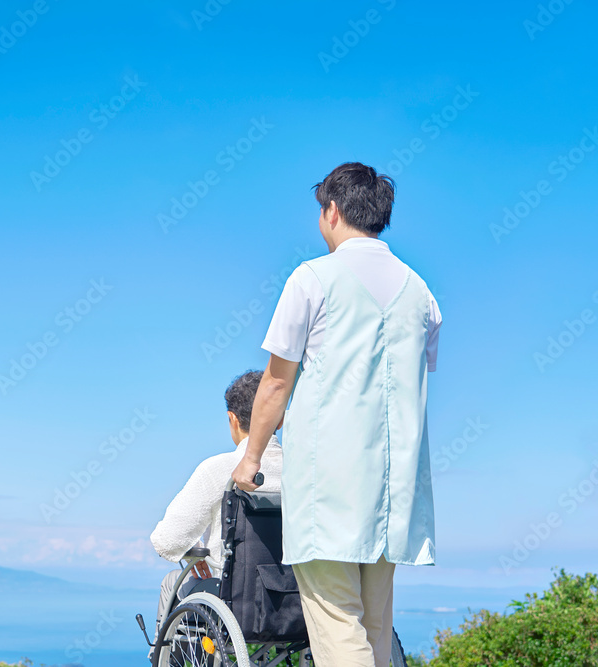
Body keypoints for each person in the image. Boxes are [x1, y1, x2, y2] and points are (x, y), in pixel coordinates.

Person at [232, 162, 442, 667]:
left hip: (330, 484)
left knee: (337, 628)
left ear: (331, 210)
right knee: (374, 629)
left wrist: (250, 457)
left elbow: (276, 382)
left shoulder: (312, 279)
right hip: (396, 492)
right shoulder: (423, 295)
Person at [149, 370, 284, 645]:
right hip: (297, 596)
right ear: (279, 418)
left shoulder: (220, 469)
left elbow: (166, 541)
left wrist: (192, 553)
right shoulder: (308, 471)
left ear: (232, 419)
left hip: (236, 603)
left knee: (171, 582)